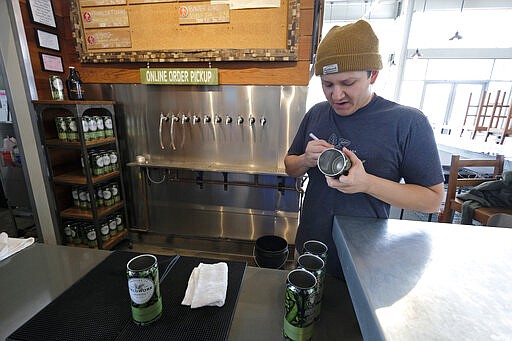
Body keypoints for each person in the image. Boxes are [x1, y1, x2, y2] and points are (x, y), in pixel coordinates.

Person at [284, 20, 445, 277]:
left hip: (365, 258)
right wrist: (305, 159)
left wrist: (367, 183)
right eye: (328, 84)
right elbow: (290, 166)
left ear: (373, 75)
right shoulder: (317, 113)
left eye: (347, 83)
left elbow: (432, 201)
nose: (336, 95)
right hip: (309, 246)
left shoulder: (407, 123)